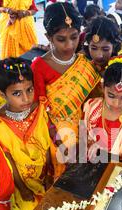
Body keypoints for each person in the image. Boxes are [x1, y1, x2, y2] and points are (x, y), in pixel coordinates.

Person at [31, 2, 101, 150]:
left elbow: (94, 100)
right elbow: (39, 108)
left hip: (87, 129)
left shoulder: (83, 62)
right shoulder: (39, 66)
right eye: (61, 39)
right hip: (57, 137)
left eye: (74, 37)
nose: (69, 45)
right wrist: (57, 137)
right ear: (48, 37)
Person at [0, 58, 54, 210]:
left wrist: (49, 173)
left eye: (29, 89)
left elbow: (46, 144)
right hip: (20, 182)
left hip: (44, 173)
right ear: (1, 93)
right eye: (16, 93)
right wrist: (22, 187)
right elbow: (8, 159)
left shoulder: (39, 109)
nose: (26, 98)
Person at [83, 57, 122, 160]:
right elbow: (82, 139)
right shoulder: (91, 106)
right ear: (102, 87)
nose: (116, 103)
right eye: (111, 96)